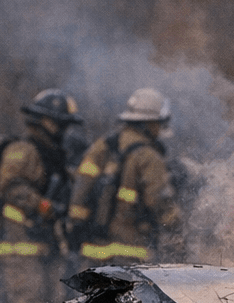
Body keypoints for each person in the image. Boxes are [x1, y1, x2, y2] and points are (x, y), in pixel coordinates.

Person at [0, 89, 83, 303]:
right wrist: (42, 205)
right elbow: (9, 186)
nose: (64, 130)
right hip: (19, 244)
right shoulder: (23, 149)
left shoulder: (51, 153)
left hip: (43, 243)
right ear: (45, 120)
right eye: (60, 123)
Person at [68, 88, 183, 264]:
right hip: (131, 254)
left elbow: (80, 190)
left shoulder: (102, 146)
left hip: (93, 252)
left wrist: (78, 226)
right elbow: (159, 201)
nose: (160, 129)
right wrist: (179, 226)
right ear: (149, 123)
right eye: (158, 123)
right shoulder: (149, 157)